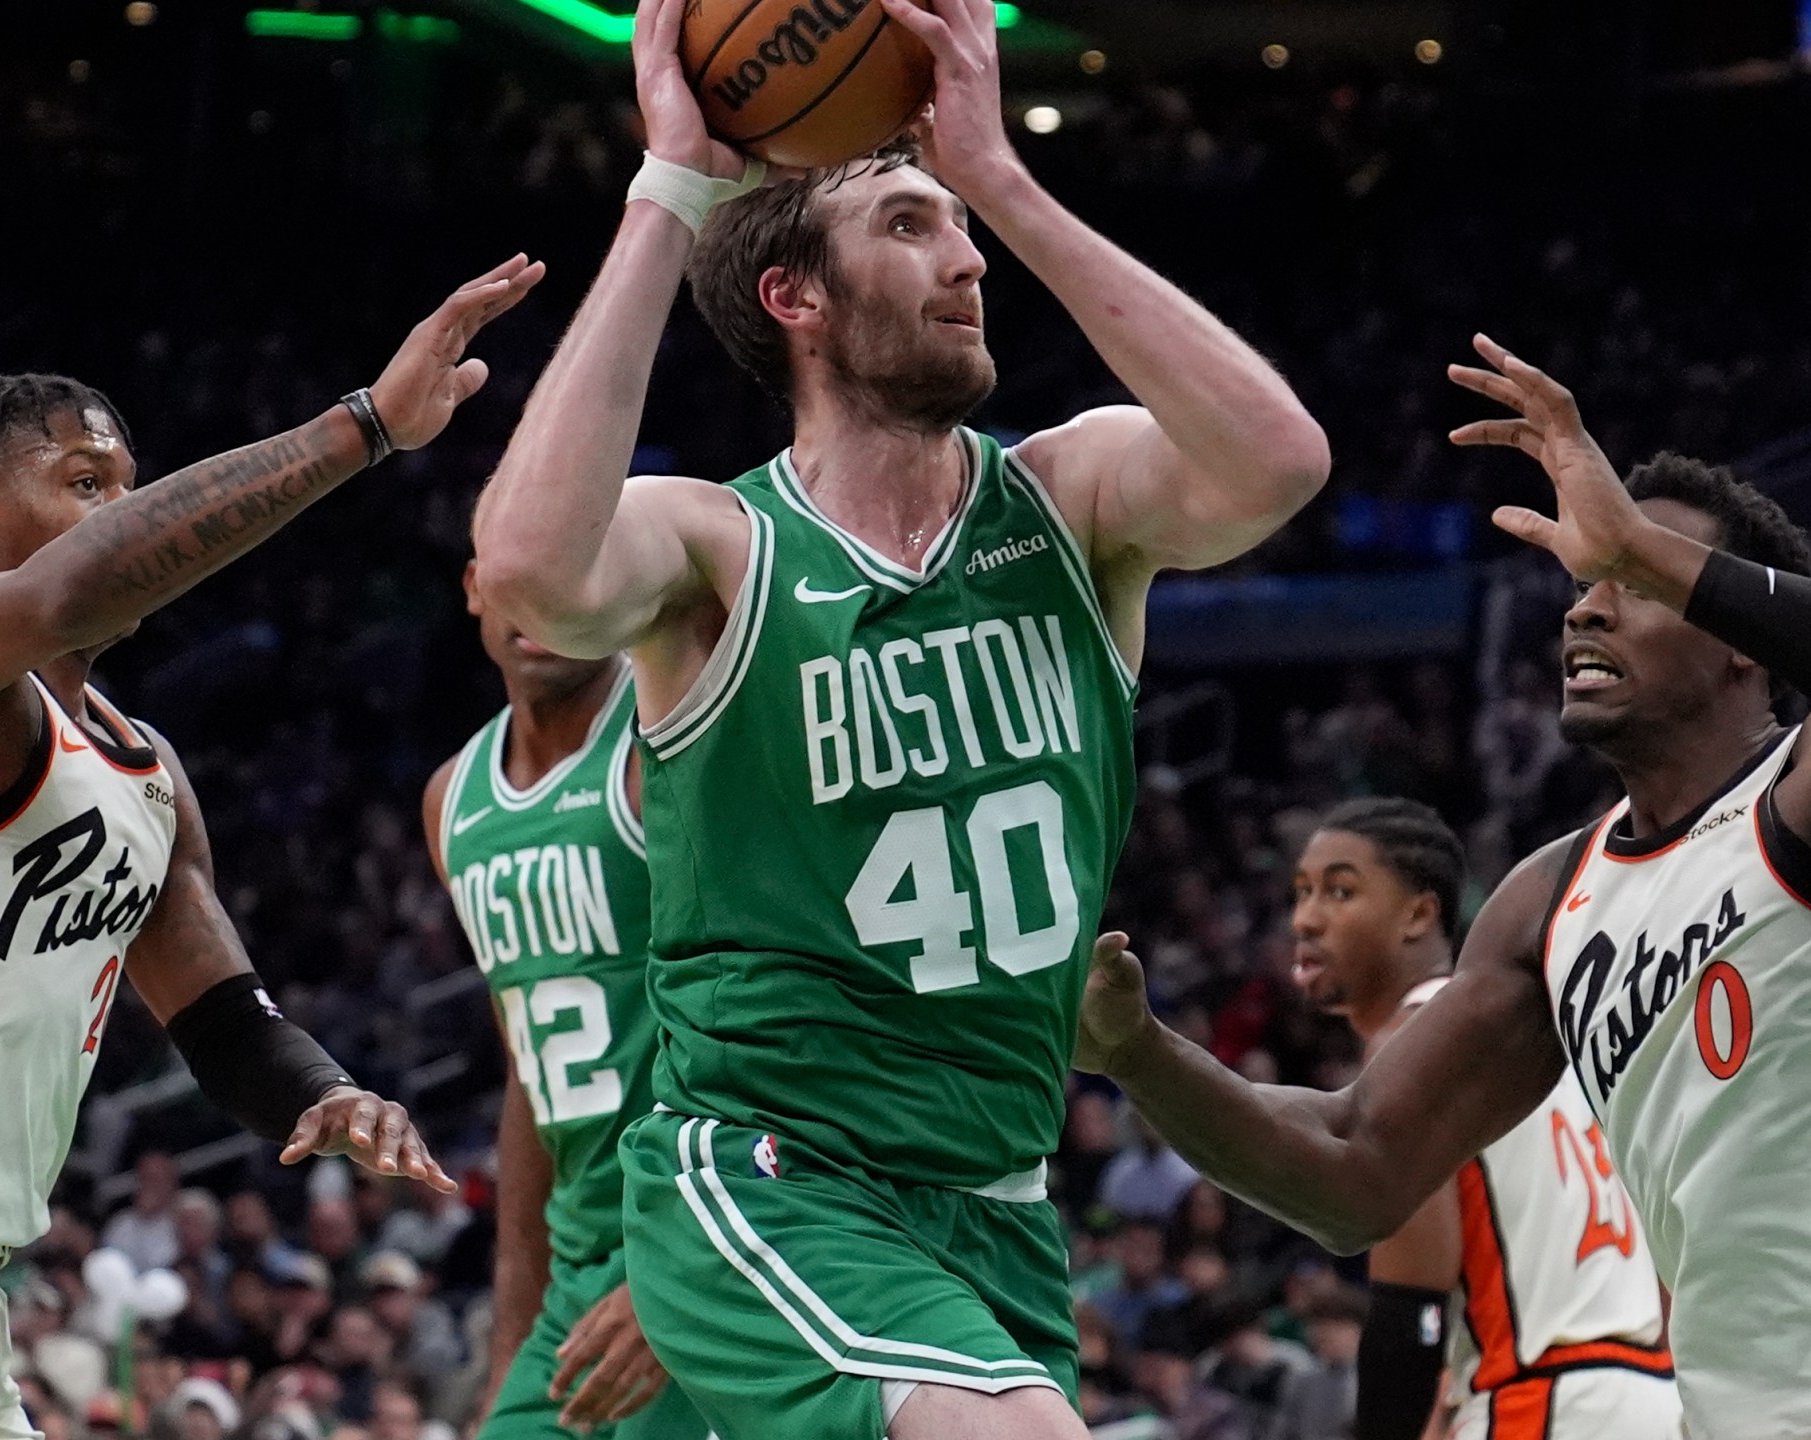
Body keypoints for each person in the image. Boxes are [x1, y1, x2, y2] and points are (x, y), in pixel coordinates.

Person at [468, 0, 1326, 1432]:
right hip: (775, 1170)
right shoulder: (720, 554)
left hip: (995, 1205)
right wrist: (672, 186)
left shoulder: (1070, 502)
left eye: (959, 228)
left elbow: (1277, 459)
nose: (968, 261)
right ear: (796, 298)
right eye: (912, 226)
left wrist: (999, 177)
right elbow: (532, 576)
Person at [1075, 338, 1811, 1439]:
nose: (1584, 611)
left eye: (1630, 586)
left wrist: (1663, 555)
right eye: (1584, 585)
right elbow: (1348, 1171)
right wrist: (1137, 1051)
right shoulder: (1546, 898)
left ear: (1739, 648)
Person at [0, 250, 540, 1437]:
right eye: (84, 481)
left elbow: (220, 1016)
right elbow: (63, 596)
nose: (121, 508)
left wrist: (329, 1092)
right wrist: (365, 428)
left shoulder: (146, 768)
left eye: (129, 483)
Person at [1287, 797, 1676, 1439]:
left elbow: (1411, 1304)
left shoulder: (1416, 1043)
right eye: (1301, 893)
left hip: (1538, 1398)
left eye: (1340, 892)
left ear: (1419, 913)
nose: (1307, 918)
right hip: (1650, 1397)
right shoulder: (1538, 1032)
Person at [420, 556, 702, 1438]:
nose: (545, 598)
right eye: (523, 569)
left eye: (578, 562)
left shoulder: (673, 738)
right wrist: (511, 1346)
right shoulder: (453, 800)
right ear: (472, 584)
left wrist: (695, 1269)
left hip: (705, 1246)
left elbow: (785, 1015)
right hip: (576, 1276)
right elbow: (528, 1082)